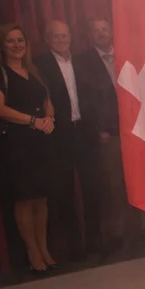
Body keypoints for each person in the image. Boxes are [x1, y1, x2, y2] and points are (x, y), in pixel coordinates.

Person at [35, 20, 102, 261]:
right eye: (56, 36)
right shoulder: (39, 64)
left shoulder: (83, 61)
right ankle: (75, 249)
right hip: (58, 135)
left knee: (92, 188)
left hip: (85, 132)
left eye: (64, 35)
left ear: (71, 37)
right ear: (47, 39)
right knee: (64, 192)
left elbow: (95, 95)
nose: (61, 40)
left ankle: (95, 243)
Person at [76, 18, 140, 254]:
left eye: (105, 29)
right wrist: (99, 129)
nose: (101, 33)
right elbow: (86, 100)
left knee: (138, 181)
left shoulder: (127, 54)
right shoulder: (83, 62)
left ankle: (141, 231)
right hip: (109, 134)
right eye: (96, 30)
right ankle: (119, 237)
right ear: (90, 35)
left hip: (136, 130)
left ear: (111, 31)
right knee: (114, 186)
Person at [0, 24, 57, 274]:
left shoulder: (34, 70)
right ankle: (33, 253)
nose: (16, 45)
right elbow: (0, 109)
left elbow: (47, 100)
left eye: (20, 40)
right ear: (2, 45)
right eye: (10, 41)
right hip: (16, 144)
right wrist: (33, 121)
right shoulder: (0, 72)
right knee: (24, 199)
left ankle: (44, 249)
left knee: (41, 198)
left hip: (40, 142)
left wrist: (50, 118)